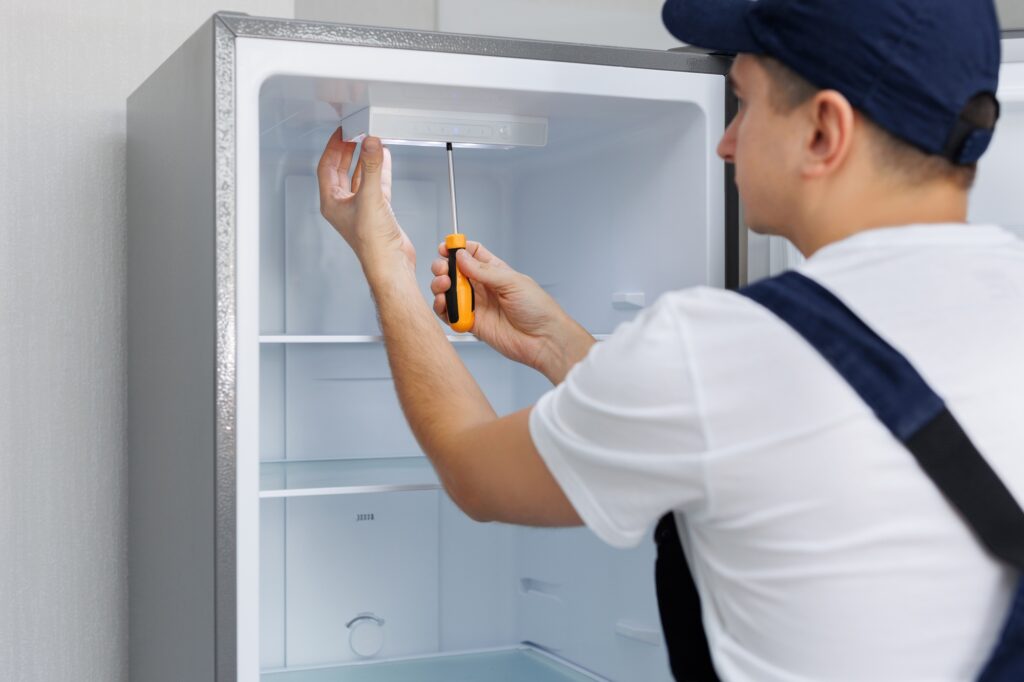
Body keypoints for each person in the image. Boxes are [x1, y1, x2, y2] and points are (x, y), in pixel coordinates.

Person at [315, 0, 1024, 678]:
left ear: (823, 132)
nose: (723, 140)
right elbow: (729, 430)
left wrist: (385, 263)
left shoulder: (723, 353)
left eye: (743, 102)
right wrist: (556, 344)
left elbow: (473, 470)